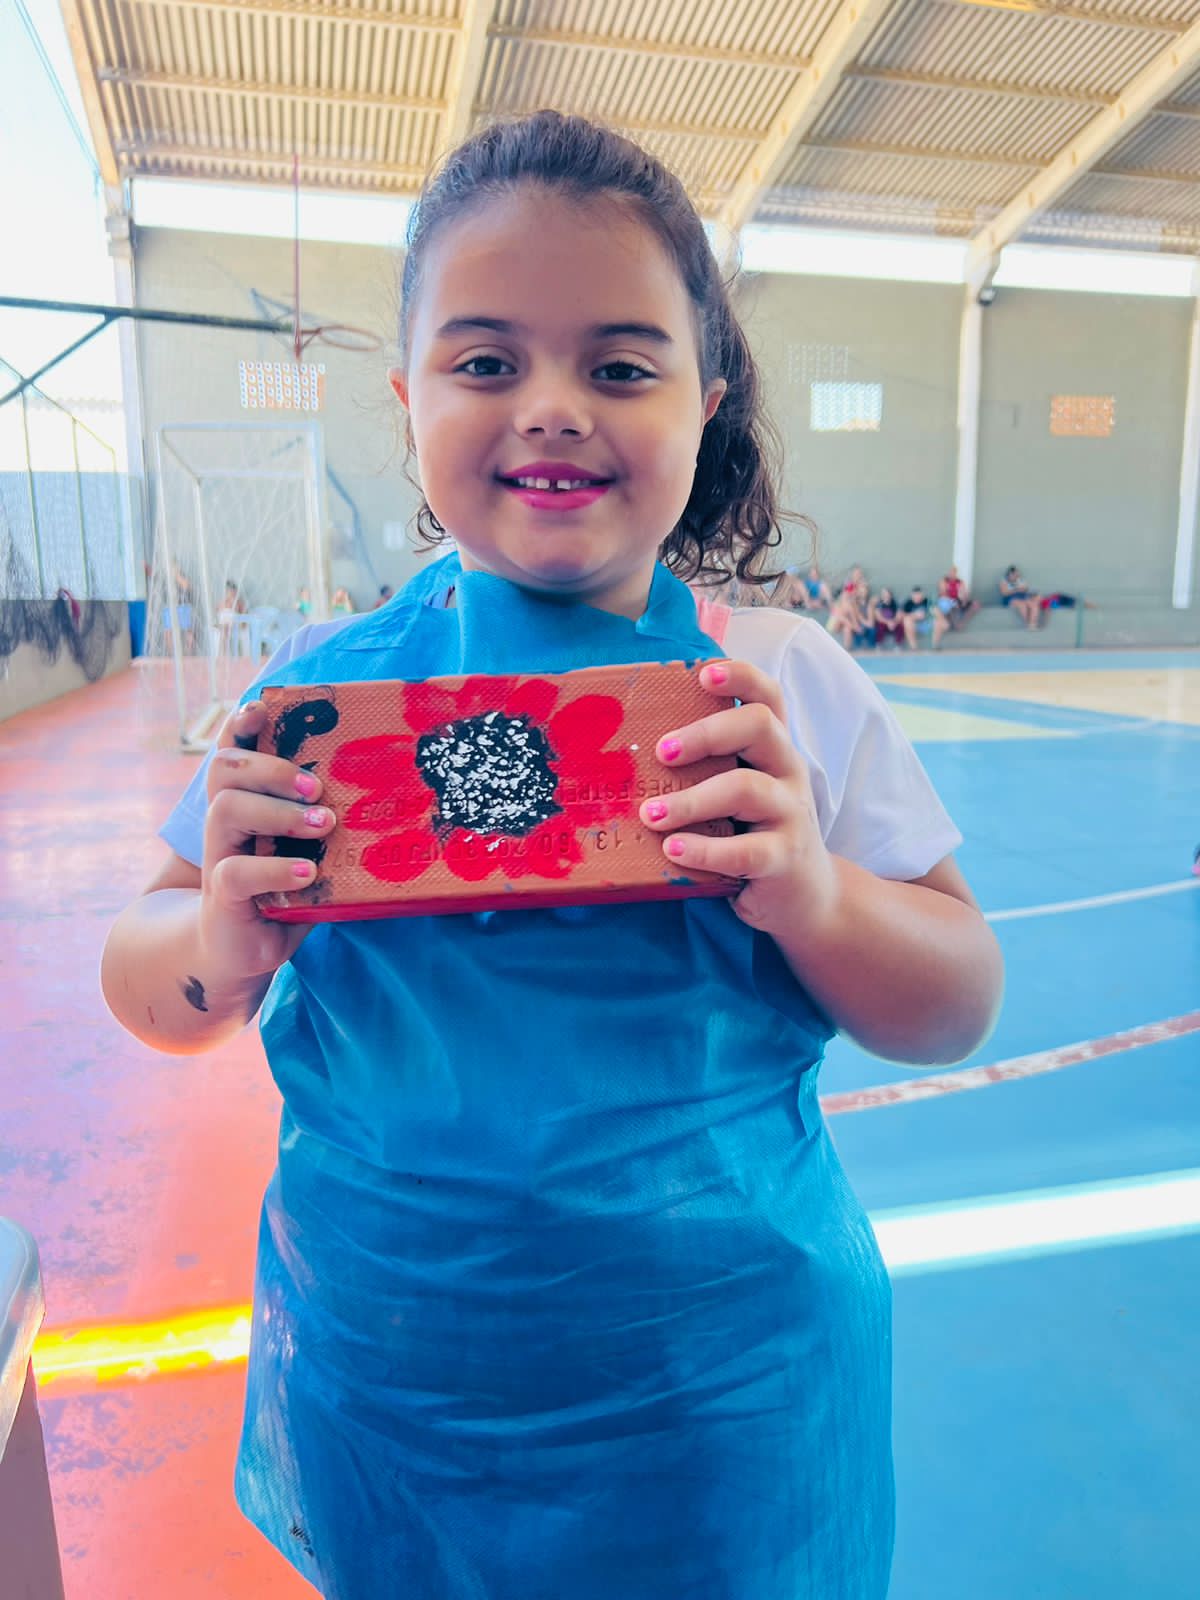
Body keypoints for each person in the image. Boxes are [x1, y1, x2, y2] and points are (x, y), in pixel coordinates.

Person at [100, 110, 1002, 1600]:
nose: (554, 409)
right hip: (399, 1403)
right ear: (408, 398)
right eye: (485, 362)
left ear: (706, 400)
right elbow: (145, 979)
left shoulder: (776, 683)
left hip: (726, 1410)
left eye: (622, 367)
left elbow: (957, 997)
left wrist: (815, 896)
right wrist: (215, 942)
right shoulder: (316, 697)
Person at [903, 582, 949, 650]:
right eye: (915, 595)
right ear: (912, 595)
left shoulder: (927, 601)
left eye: (919, 594)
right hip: (915, 625)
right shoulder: (908, 603)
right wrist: (914, 615)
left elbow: (936, 610)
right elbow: (902, 615)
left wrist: (943, 621)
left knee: (938, 621)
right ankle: (914, 647)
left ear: (922, 595)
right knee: (906, 620)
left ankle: (935, 645)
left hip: (927, 624)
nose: (917, 597)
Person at [999, 564, 1041, 629]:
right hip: (1010, 599)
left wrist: (1022, 589)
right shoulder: (1004, 581)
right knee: (1022, 605)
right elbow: (1004, 593)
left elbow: (1025, 589)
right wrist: (1016, 590)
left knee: (1033, 604)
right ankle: (1029, 623)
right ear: (1009, 574)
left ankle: (1032, 623)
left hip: (1022, 597)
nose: (1016, 576)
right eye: (1014, 575)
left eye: (1017, 575)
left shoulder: (1021, 581)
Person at [939, 564, 979, 629]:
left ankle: (962, 622)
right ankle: (955, 624)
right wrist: (953, 599)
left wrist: (965, 599)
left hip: (958, 599)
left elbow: (965, 592)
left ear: (956, 573)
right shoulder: (944, 581)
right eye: (950, 572)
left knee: (976, 604)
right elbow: (942, 593)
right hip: (948, 600)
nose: (952, 574)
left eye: (953, 572)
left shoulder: (960, 582)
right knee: (953, 606)